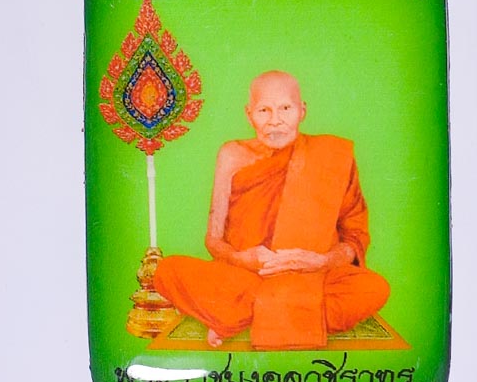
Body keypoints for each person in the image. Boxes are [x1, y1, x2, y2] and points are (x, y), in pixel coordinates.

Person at [154, 71, 390, 350]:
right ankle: (285, 314)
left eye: (285, 108)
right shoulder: (232, 155)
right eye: (264, 110)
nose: (275, 120)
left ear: (302, 111)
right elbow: (213, 240)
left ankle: (241, 315)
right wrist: (243, 259)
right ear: (249, 114)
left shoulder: (333, 154)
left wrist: (321, 261)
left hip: (312, 277)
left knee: (374, 288)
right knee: (167, 271)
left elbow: (353, 236)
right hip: (247, 276)